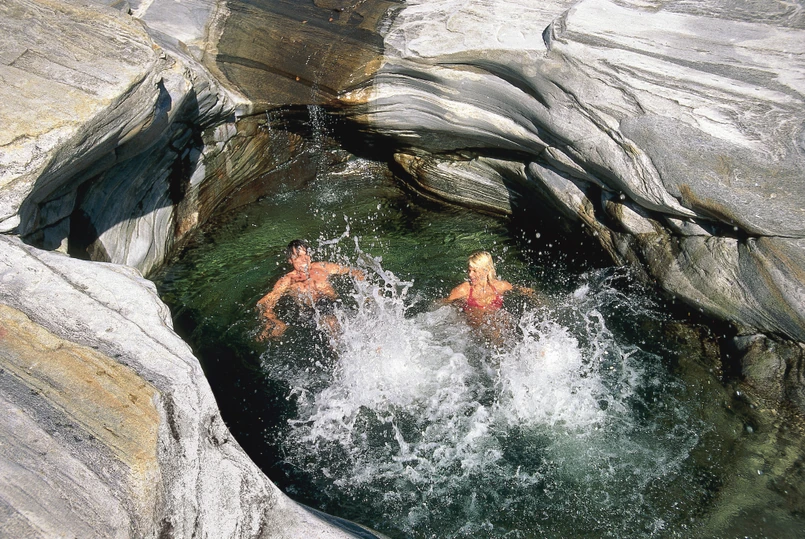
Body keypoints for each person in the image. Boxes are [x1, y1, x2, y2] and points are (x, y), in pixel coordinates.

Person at [256, 239, 364, 340]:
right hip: (311, 311)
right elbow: (264, 303)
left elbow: (350, 270)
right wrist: (273, 321)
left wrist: (360, 279)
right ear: (290, 260)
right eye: (298, 256)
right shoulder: (288, 280)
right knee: (332, 324)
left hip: (335, 304)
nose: (304, 259)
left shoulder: (322, 267)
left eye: (306, 254)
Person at [442, 250, 534, 345]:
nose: (470, 274)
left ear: (486, 270)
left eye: (474, 271)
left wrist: (536, 298)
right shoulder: (463, 290)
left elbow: (523, 290)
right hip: (475, 336)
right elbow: (443, 304)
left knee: (505, 317)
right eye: (469, 270)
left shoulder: (500, 286)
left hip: (497, 331)